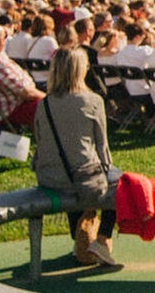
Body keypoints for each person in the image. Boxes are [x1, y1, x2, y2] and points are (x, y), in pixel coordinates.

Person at [31, 47, 120, 266]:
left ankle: (78, 236)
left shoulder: (44, 104)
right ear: (81, 70)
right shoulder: (92, 100)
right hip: (81, 177)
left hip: (49, 177)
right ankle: (102, 238)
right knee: (122, 184)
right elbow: (103, 149)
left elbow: (40, 140)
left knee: (73, 169)